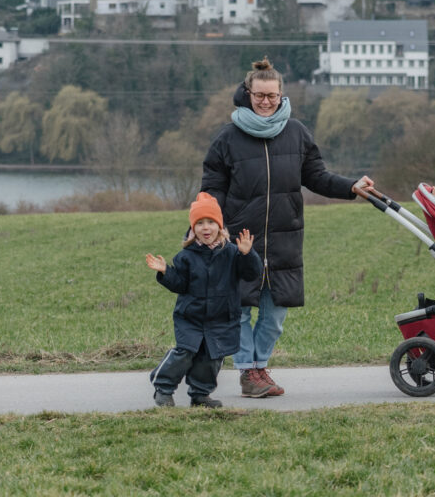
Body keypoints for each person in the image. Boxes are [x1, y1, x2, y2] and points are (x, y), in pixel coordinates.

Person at [201, 58, 374, 399]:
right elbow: (211, 189)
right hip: (240, 240)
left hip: (285, 237)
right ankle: (249, 372)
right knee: (238, 311)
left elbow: (317, 177)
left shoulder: (297, 133)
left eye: (272, 96)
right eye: (259, 95)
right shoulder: (228, 137)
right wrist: (209, 226)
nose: (266, 101)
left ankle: (258, 365)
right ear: (247, 93)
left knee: (275, 313)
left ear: (282, 95)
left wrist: (351, 186)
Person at [146, 191, 262, 408]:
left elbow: (251, 274)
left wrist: (248, 254)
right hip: (191, 316)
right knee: (185, 352)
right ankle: (163, 388)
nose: (205, 228)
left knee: (211, 358)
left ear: (220, 225)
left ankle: (200, 395)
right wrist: (165, 272)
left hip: (221, 317)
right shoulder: (186, 256)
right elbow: (180, 284)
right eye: (200, 223)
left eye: (210, 222)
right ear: (193, 228)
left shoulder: (232, 253)